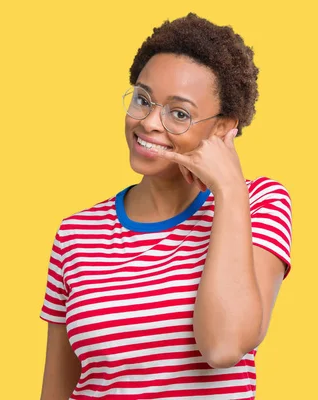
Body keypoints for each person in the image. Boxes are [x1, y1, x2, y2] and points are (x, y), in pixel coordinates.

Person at [39, 13, 292, 400]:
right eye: (143, 100)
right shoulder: (75, 234)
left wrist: (228, 188)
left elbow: (224, 347)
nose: (149, 123)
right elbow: (55, 391)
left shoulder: (259, 203)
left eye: (179, 113)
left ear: (223, 127)